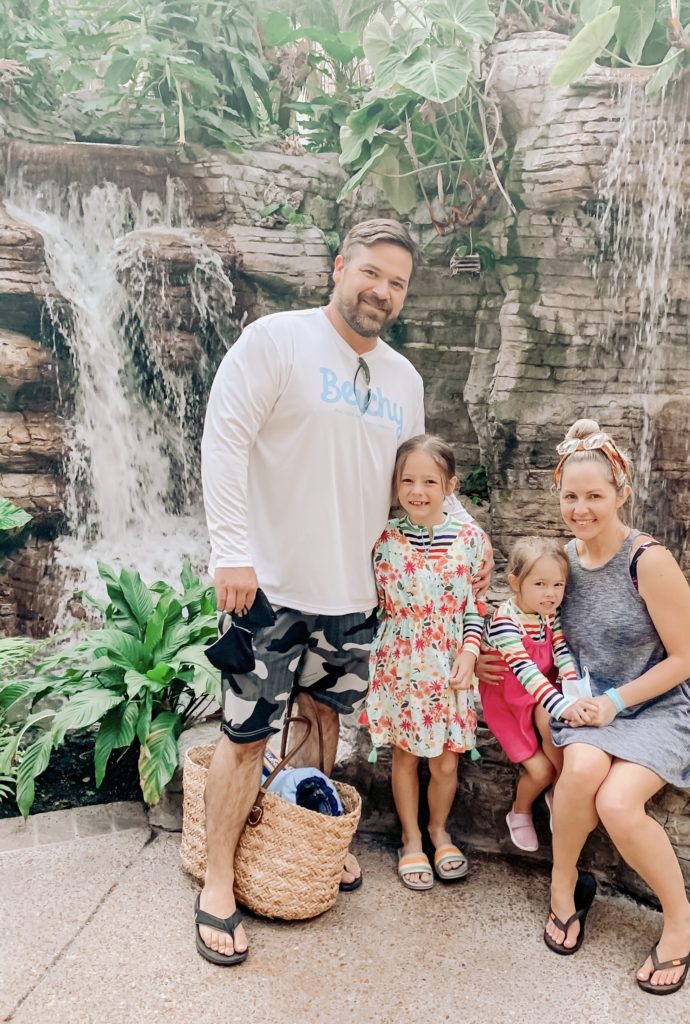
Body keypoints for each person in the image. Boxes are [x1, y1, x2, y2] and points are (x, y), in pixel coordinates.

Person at [197, 219, 493, 964]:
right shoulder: (278, 341)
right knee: (243, 736)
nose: (382, 291)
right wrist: (231, 553)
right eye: (371, 273)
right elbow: (224, 438)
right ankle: (219, 879)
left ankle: (308, 832)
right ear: (339, 267)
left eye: (397, 283)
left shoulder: (403, 378)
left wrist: (471, 538)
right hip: (266, 589)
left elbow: (419, 483)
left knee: (323, 720)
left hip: (356, 596)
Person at [479, 418, 690, 994]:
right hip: (581, 702)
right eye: (571, 496)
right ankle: (563, 883)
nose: (581, 507)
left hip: (653, 703)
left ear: (621, 493)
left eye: (595, 495)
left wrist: (615, 702)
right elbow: (520, 625)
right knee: (581, 774)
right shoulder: (562, 563)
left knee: (620, 804)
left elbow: (685, 657)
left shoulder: (647, 561)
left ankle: (680, 924)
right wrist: (483, 662)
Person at [365, 435, 485, 890]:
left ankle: (439, 829)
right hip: (400, 663)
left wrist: (471, 652)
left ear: (449, 485)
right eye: (407, 480)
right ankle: (411, 838)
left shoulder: (472, 541)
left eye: (430, 480)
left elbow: (474, 604)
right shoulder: (384, 539)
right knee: (405, 753)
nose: (418, 490)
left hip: (451, 664)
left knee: (446, 763)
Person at [479, 537, 595, 853]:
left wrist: (570, 686)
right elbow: (525, 672)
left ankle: (560, 793)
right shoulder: (506, 621)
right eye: (540, 583)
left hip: (542, 691)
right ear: (516, 583)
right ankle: (520, 809)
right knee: (540, 769)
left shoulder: (548, 612)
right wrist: (564, 705)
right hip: (509, 700)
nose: (550, 593)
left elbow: (560, 648)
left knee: (553, 729)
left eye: (558, 584)